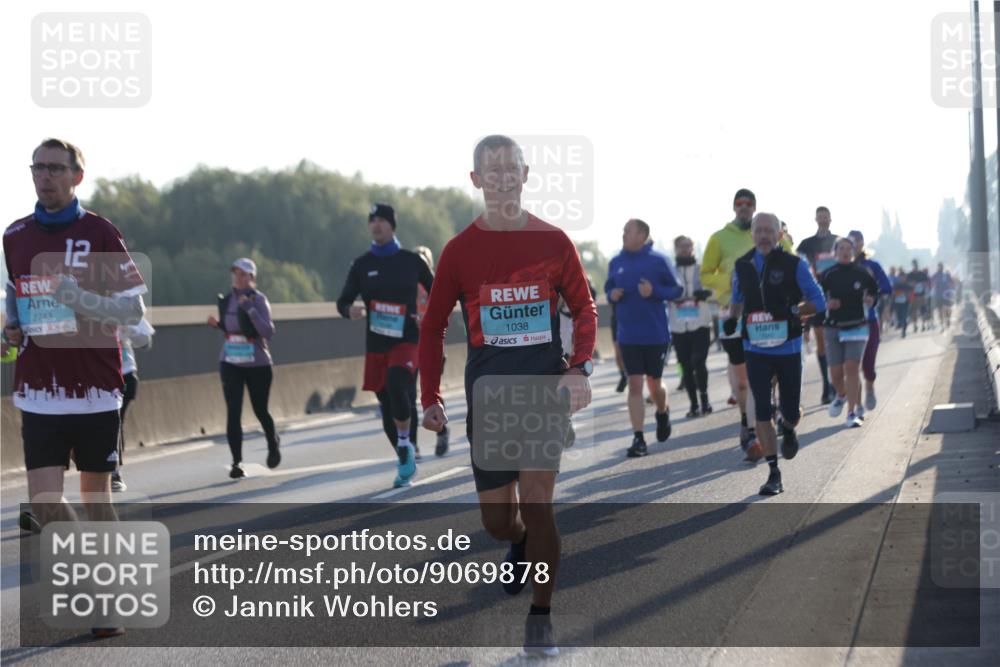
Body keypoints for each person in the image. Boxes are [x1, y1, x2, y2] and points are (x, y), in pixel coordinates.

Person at [419, 135, 597, 656]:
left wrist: (579, 367)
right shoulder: (458, 251)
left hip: (543, 393)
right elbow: (431, 329)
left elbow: (584, 309)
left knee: (539, 506)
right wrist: (431, 395)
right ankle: (515, 540)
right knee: (500, 523)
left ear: (525, 175)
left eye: (509, 168)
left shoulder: (553, 241)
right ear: (475, 180)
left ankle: (540, 618)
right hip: (490, 398)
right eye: (490, 170)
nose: (501, 177)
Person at [4, 138, 148, 639]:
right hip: (39, 385)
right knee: (44, 503)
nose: (45, 177)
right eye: (38, 167)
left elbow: (133, 310)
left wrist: (82, 298)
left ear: (76, 177)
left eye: (55, 169)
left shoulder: (101, 232)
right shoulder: (15, 235)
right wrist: (11, 326)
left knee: (96, 498)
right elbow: (15, 294)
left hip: (95, 384)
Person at [726, 213, 825, 495]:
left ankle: (789, 426)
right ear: (752, 234)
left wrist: (792, 311)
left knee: (790, 410)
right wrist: (732, 318)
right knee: (762, 407)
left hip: (788, 346)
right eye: (759, 230)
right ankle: (773, 472)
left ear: (779, 234)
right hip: (754, 347)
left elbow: (818, 302)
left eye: (770, 230)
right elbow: (737, 299)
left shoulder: (794, 264)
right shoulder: (742, 264)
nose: (764, 236)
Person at [337, 205, 433, 487]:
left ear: (392, 226)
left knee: (398, 384)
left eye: (381, 220)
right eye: (372, 221)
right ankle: (405, 457)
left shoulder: (411, 261)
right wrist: (348, 310)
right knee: (386, 402)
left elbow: (438, 290)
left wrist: (427, 315)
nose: (376, 225)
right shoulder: (361, 265)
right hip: (377, 344)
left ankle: (406, 442)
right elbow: (342, 300)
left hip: (406, 339)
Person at [701, 188, 793, 462]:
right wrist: (728, 282)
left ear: (754, 207)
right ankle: (748, 424)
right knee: (744, 381)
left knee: (768, 375)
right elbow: (706, 274)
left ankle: (761, 418)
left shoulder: (772, 234)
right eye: (739, 203)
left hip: (770, 315)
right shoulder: (719, 238)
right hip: (734, 313)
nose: (744, 207)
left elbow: (792, 263)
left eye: (748, 203)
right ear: (734, 207)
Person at [606, 219, 682, 457]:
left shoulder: (658, 261)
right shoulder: (616, 262)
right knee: (635, 384)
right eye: (623, 230)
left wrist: (655, 292)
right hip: (628, 335)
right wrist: (612, 294)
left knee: (654, 384)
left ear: (642, 235)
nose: (623, 234)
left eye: (627, 231)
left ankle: (662, 411)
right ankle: (638, 438)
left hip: (655, 334)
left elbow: (677, 290)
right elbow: (607, 290)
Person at [207, 258, 280, 479]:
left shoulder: (259, 300)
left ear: (252, 279)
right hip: (230, 362)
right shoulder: (228, 300)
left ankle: (272, 440)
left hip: (257, 364)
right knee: (233, 411)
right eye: (236, 273)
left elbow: (267, 332)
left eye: (244, 274)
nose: (239, 278)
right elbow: (232, 327)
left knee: (260, 410)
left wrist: (249, 308)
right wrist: (218, 325)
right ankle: (236, 462)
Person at [820, 237, 879, 427]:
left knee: (851, 368)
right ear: (835, 253)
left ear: (853, 252)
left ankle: (852, 413)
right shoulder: (828, 274)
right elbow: (817, 297)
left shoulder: (862, 273)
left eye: (848, 248)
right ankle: (841, 394)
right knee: (836, 373)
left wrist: (871, 299)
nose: (845, 251)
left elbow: (874, 290)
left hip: (857, 325)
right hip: (833, 327)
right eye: (841, 248)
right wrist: (827, 304)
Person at [796, 206, 839, 404]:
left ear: (830, 219)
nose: (823, 219)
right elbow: (797, 265)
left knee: (837, 342)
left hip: (838, 296)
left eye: (826, 216)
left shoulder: (838, 242)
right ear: (815, 219)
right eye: (819, 216)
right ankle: (827, 385)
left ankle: (839, 380)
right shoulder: (806, 244)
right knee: (822, 340)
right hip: (817, 296)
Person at [668, 235, 714, 418]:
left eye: (689, 246)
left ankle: (705, 399)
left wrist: (706, 293)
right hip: (678, 326)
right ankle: (694, 404)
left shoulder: (702, 269)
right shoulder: (669, 271)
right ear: (676, 249)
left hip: (700, 323)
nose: (686, 249)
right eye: (682, 246)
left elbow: (714, 288)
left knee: (698, 360)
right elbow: (661, 290)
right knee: (685, 366)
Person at [846, 231, 891, 411]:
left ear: (863, 243)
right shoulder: (842, 268)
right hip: (848, 323)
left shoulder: (872, 265)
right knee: (852, 366)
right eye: (851, 241)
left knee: (868, 364)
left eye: (857, 241)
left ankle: (870, 387)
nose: (854, 244)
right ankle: (856, 406)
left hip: (869, 320)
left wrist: (873, 294)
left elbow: (887, 286)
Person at [413, 245, 449, 457]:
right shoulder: (406, 284)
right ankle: (412, 445)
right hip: (410, 344)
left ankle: (441, 430)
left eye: (422, 260)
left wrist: (426, 322)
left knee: (431, 391)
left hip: (431, 344)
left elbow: (444, 316)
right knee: (410, 394)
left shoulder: (434, 283)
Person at [111, 316, 155, 492]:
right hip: (93, 374)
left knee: (115, 421)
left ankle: (115, 473)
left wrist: (127, 329)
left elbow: (146, 342)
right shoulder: (80, 301)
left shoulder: (125, 303)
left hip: (124, 373)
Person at [906, 260, 931, 331]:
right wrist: (911, 284)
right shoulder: (909, 275)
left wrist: (922, 284)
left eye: (916, 265)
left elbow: (927, 282)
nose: (915, 266)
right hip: (913, 295)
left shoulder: (922, 274)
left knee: (922, 310)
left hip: (921, 295)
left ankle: (923, 325)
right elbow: (907, 283)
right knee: (914, 311)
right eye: (913, 265)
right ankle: (915, 325)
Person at [891, 266, 914, 337]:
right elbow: (893, 293)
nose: (902, 278)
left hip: (905, 303)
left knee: (904, 316)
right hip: (897, 304)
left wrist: (910, 299)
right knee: (899, 317)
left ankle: (903, 331)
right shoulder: (896, 285)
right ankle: (902, 324)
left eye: (903, 277)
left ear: (905, 278)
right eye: (900, 277)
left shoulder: (908, 285)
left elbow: (912, 293)